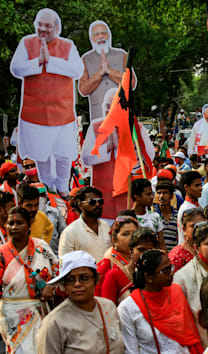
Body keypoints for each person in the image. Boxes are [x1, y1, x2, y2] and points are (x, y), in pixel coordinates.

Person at [10, 8, 84, 196]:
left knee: (63, 155)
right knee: (40, 155)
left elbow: (77, 70)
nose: (42, 29)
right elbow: (17, 68)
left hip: (63, 113)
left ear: (57, 28)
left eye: (47, 26)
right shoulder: (26, 43)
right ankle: (48, 188)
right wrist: (38, 62)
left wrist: (50, 63)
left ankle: (62, 187)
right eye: (39, 25)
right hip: (34, 114)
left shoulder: (68, 45)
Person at [37, 250, 125, 354]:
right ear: (64, 285)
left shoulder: (108, 308)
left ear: (96, 279)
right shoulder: (54, 322)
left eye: (84, 278)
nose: (77, 284)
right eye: (70, 280)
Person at [118, 250, 203, 354]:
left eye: (170, 268)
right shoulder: (128, 308)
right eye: (165, 271)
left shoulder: (176, 292)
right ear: (148, 277)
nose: (171, 273)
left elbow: (190, 337)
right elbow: (131, 353)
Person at [0, 207, 58, 354]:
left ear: (29, 225)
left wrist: (51, 287)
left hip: (41, 314)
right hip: (13, 319)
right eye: (10, 223)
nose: (14, 227)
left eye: (19, 223)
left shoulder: (42, 247)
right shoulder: (1, 254)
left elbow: (59, 271)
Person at [81, 88, 155, 219]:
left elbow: (149, 155)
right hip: (104, 194)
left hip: (129, 192)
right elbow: (86, 158)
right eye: (109, 106)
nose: (112, 110)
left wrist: (128, 150)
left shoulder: (136, 127)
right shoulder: (95, 127)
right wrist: (107, 148)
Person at [79, 20, 137, 120]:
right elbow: (83, 90)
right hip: (98, 116)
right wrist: (100, 73)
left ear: (109, 36)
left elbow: (131, 83)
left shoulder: (122, 55)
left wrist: (110, 71)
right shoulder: (85, 59)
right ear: (92, 38)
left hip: (121, 113)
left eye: (103, 33)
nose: (100, 37)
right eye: (96, 34)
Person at [101, 227, 159, 306]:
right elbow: (107, 310)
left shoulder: (158, 277)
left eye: (150, 250)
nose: (145, 254)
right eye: (141, 249)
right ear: (131, 250)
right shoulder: (114, 276)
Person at [58, 186, 111, 262]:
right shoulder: (70, 232)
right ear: (80, 205)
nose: (97, 205)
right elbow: (64, 264)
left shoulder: (106, 226)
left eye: (100, 201)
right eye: (92, 202)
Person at [95, 214, 139, 300]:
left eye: (135, 233)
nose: (132, 237)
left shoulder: (140, 258)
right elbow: (103, 303)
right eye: (126, 234)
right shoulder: (107, 265)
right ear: (114, 241)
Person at [131, 178, 166, 250]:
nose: (152, 197)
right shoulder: (127, 218)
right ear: (137, 196)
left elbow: (161, 245)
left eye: (152, 194)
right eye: (148, 194)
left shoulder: (155, 217)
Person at [176, 171, 203, 243]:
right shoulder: (187, 209)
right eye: (197, 185)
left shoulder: (197, 205)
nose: (201, 188)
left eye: (201, 185)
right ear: (186, 187)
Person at [155, 181, 179, 251]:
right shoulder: (153, 216)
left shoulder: (177, 216)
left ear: (171, 196)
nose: (161, 196)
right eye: (159, 193)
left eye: (165, 193)